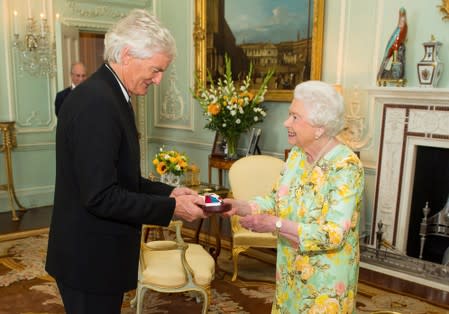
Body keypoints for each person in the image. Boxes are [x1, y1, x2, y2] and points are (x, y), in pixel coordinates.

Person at [45, 9, 207, 314]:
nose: (158, 81)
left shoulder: (111, 95)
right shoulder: (98, 102)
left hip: (96, 257)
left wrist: (168, 193)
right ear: (128, 55)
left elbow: (120, 178)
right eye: (156, 69)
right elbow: (101, 196)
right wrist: (172, 209)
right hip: (89, 261)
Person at [224, 80, 365, 313]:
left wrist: (275, 224)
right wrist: (241, 206)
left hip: (324, 282)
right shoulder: (298, 155)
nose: (286, 122)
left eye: (295, 117)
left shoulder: (346, 167)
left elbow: (333, 234)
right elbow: (275, 199)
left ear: (320, 127)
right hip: (290, 269)